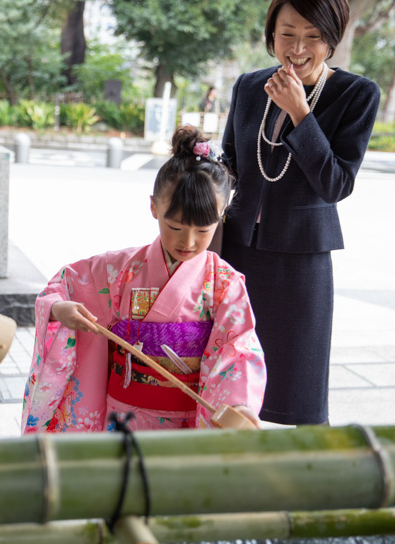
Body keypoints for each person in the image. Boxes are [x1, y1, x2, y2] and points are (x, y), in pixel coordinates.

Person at [21, 126, 266, 433]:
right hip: (122, 418)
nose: (188, 241)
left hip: (187, 420)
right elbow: (61, 287)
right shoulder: (119, 271)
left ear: (221, 215)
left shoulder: (224, 284)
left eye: (203, 230)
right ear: (154, 207)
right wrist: (60, 311)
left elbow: (238, 347)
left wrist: (239, 404)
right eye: (175, 226)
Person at [220, 0, 380, 426]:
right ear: (271, 34)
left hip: (301, 258)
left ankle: (311, 474)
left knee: (300, 384)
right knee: (226, 368)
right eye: (287, 33)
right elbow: (230, 164)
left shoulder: (357, 94)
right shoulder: (250, 86)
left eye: (312, 36)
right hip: (236, 250)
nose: (297, 48)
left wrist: (301, 114)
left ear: (331, 39)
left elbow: (337, 183)